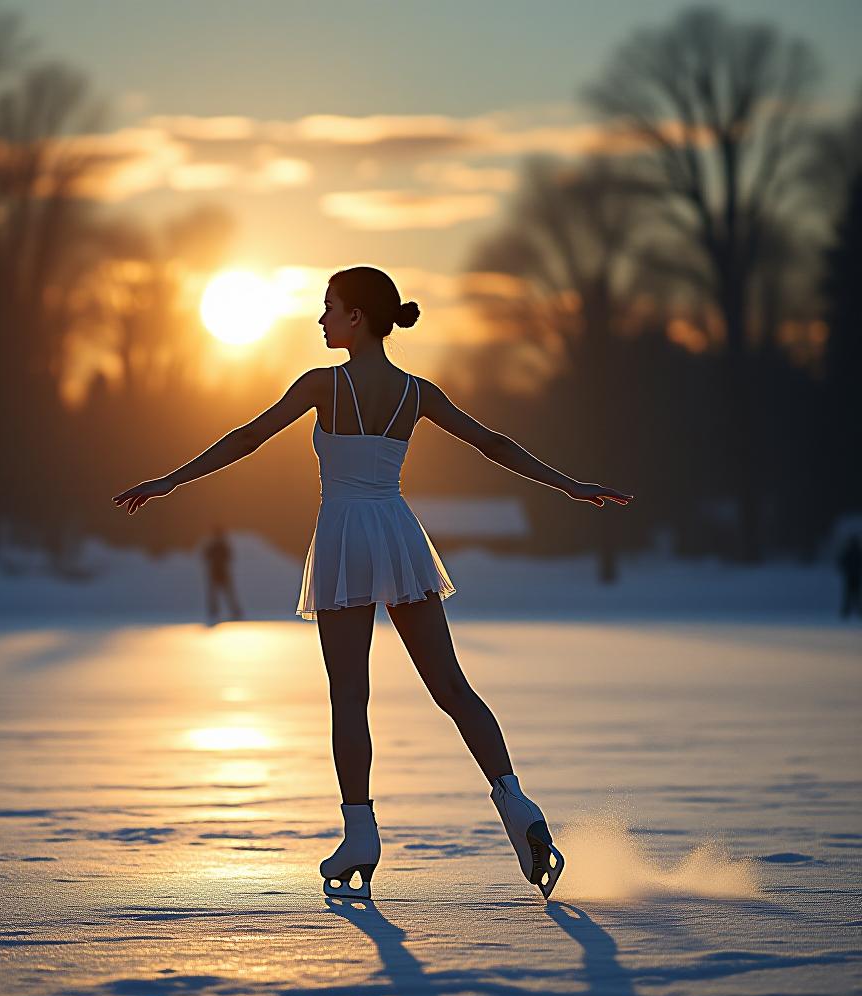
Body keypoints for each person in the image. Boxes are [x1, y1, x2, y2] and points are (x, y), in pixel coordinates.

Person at [112, 265, 633, 902]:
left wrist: (169, 481)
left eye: (330, 307)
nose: (322, 318)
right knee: (452, 687)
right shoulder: (416, 392)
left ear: (357, 317)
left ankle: (361, 832)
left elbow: (246, 438)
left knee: (349, 699)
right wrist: (572, 486)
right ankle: (515, 803)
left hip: (343, 540)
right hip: (397, 532)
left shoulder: (323, 386)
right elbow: (492, 443)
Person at [202, 525, 243, 624]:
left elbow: (229, 556)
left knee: (227, 593)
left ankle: (233, 612)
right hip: (216, 572)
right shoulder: (213, 545)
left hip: (221, 572)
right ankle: (214, 612)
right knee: (216, 594)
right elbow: (206, 556)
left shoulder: (220, 545)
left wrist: (219, 560)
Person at [838, 535, 861, 620]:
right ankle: (850, 612)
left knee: (850, 595)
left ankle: (847, 612)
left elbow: (842, 561)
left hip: (851, 576)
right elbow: (842, 562)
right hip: (854, 576)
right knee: (853, 595)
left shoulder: (850, 551)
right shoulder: (857, 551)